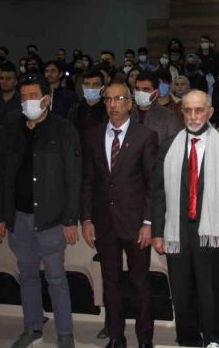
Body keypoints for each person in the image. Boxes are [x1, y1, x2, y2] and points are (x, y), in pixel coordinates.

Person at [0, 74, 80, 348]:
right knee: (27, 276)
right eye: (23, 97)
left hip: (51, 219)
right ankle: (33, 328)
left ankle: (65, 334)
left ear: (46, 99)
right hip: (18, 218)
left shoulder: (63, 129)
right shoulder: (10, 127)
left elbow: (73, 178)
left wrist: (70, 219)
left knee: (56, 278)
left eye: (32, 96)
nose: (27, 101)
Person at [151, 90, 219, 347]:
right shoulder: (168, 146)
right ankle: (188, 339)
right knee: (182, 292)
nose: (193, 116)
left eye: (199, 110)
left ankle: (213, 339)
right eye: (188, 111)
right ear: (182, 113)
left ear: (210, 112)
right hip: (177, 232)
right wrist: (157, 231)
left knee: (212, 291)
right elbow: (158, 192)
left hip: (214, 232)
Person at [81, 83, 158, 348]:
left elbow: (152, 184)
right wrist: (86, 219)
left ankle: (145, 339)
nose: (113, 104)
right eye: (108, 99)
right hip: (104, 223)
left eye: (119, 99)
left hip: (136, 224)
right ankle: (116, 336)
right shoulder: (92, 135)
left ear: (129, 103)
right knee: (110, 282)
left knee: (140, 283)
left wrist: (148, 222)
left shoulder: (145, 136)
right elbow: (88, 180)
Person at [131, 71, 182, 143]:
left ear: (156, 93)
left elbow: (176, 144)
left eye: (146, 89)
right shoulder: (128, 114)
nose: (140, 93)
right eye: (137, 89)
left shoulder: (168, 116)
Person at [67, 69, 107, 136]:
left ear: (102, 88)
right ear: (83, 87)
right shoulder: (75, 109)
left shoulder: (108, 110)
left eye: (95, 84)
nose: (91, 88)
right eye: (87, 84)